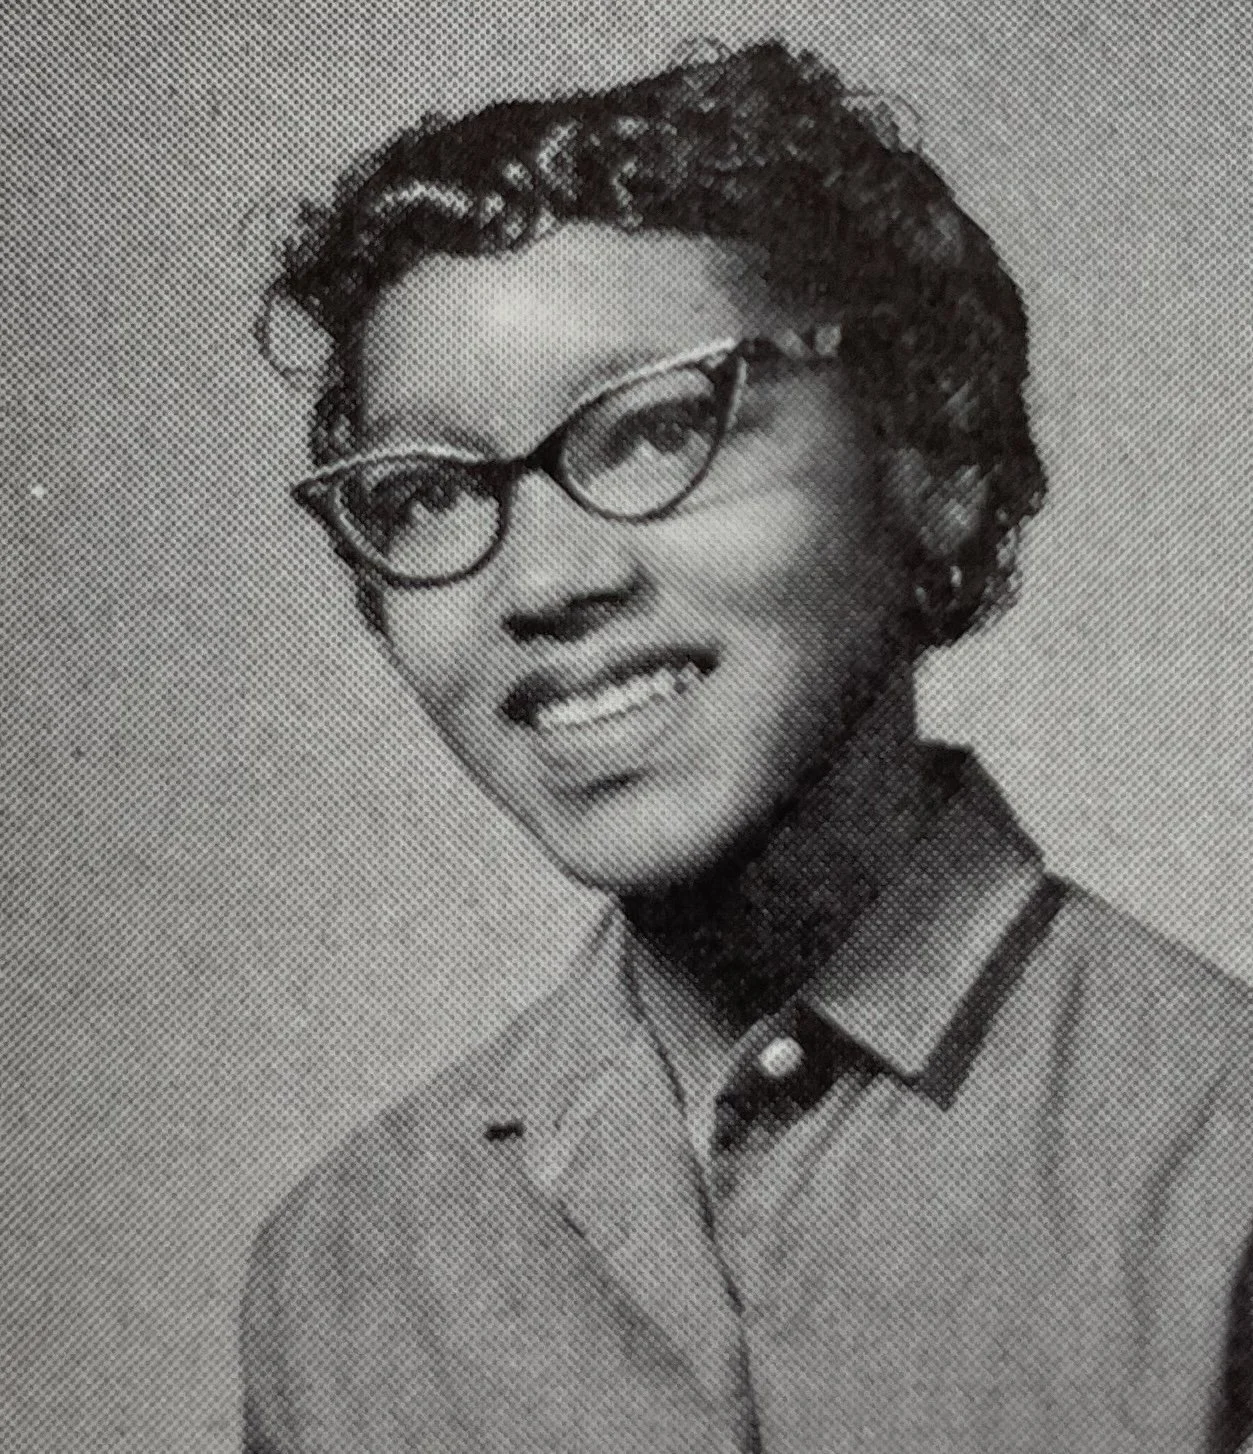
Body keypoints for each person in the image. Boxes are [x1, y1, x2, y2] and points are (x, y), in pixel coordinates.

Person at [240, 41, 1253, 1454]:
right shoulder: (347, 1272)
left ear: (937, 463)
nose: (545, 581)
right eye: (425, 494)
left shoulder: (1220, 1155)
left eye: (658, 429)